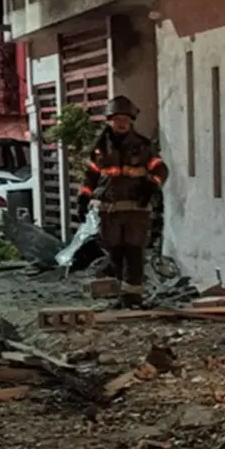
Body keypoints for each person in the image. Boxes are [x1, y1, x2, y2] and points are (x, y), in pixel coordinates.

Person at [77, 95, 168, 307]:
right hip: (109, 212)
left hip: (136, 210)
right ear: (109, 120)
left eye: (125, 120)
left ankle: (133, 297)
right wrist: (83, 196)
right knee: (114, 252)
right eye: (117, 119)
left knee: (134, 252)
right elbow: (91, 176)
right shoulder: (100, 147)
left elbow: (160, 169)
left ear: (131, 122)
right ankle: (121, 294)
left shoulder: (143, 146)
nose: (121, 124)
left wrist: (152, 185)